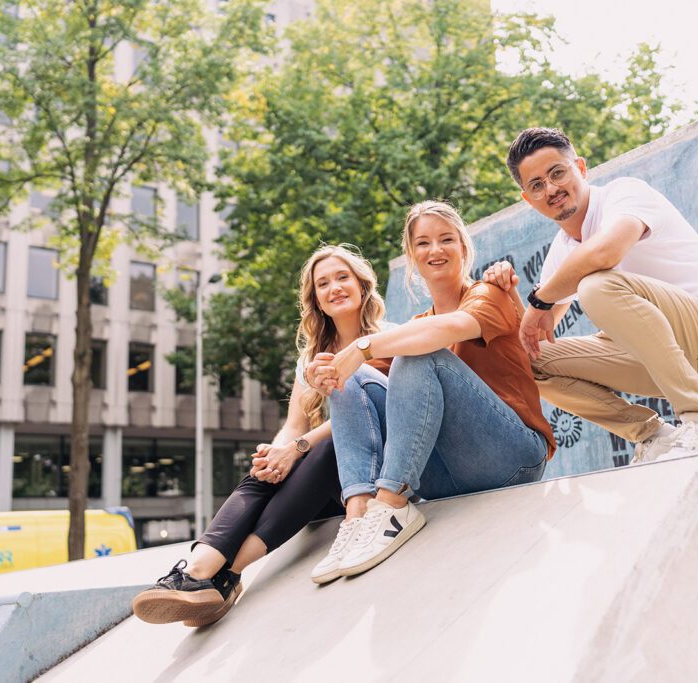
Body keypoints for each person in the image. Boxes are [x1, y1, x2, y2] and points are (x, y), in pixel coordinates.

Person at [131, 245, 390, 626]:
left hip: (366, 475)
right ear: (315, 299)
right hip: (319, 485)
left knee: (325, 449)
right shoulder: (310, 358)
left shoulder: (388, 339)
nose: (334, 287)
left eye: (342, 278)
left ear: (362, 285)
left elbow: (365, 417)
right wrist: (278, 452)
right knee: (264, 470)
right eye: (323, 283)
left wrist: (297, 449)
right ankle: (200, 567)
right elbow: (295, 424)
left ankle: (226, 574)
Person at [306, 200, 556, 582]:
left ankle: (392, 505)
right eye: (423, 243)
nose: (435, 250)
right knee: (353, 380)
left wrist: (360, 348)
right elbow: (357, 388)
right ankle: (358, 517)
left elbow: (449, 328)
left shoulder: (490, 294)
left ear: (463, 247)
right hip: (447, 475)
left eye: (446, 240)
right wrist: (323, 374)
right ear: (411, 255)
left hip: (513, 458)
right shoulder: (418, 322)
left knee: (418, 354)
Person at [484, 127, 698, 463]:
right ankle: (653, 435)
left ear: (581, 168)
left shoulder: (624, 194)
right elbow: (533, 335)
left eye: (557, 173)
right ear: (528, 199)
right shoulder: (560, 252)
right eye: (537, 185)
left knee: (595, 286)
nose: (552, 188)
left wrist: (541, 297)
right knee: (527, 362)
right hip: (663, 360)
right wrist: (506, 291)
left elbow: (606, 253)